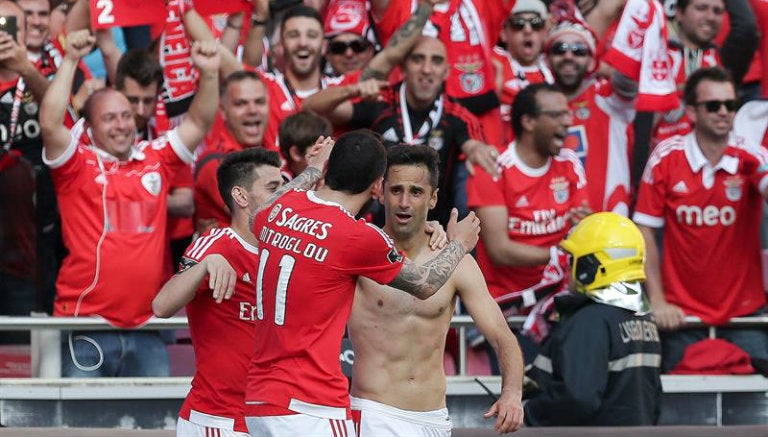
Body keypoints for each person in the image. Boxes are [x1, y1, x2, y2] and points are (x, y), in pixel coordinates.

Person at [244, 129, 481, 436]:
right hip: (311, 405)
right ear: (377, 187)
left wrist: (312, 170)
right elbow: (425, 284)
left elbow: (255, 216)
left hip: (259, 400)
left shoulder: (277, 211)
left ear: (329, 168)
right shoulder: (355, 236)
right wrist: (458, 244)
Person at [39, 30, 220, 377]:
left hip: (148, 326)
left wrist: (209, 73)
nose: (123, 125)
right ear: (89, 129)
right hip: (87, 323)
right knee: (80, 430)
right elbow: (49, 121)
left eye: (126, 116)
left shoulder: (156, 157)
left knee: (152, 430)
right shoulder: (75, 164)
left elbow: (199, 121)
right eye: (110, 118)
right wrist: (71, 59)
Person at [152, 137, 332, 437]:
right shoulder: (217, 244)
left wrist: (314, 170)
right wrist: (204, 267)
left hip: (271, 419)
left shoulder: (287, 248)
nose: (285, 195)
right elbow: (161, 305)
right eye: (274, 189)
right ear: (241, 195)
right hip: (218, 420)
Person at [348, 144, 525, 436]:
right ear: (380, 192)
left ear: (433, 199)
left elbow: (502, 335)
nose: (405, 202)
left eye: (416, 192)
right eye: (396, 190)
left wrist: (512, 393)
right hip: (372, 413)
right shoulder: (359, 252)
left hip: (433, 418)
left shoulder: (456, 263)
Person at [633, 66, 768, 372]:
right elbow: (644, 230)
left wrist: (758, 172)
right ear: (691, 112)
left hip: (744, 315)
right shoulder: (666, 158)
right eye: (713, 105)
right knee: (678, 410)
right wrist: (657, 299)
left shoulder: (752, 155)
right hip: (681, 316)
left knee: (757, 409)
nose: (724, 113)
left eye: (730, 105)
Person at [304, 35, 499, 224]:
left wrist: (477, 150)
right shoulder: (381, 100)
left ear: (446, 72)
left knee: (472, 174)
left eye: (436, 61)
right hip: (377, 222)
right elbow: (311, 107)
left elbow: (474, 146)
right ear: (403, 67)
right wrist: (353, 90)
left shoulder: (457, 114)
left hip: (433, 226)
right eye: (418, 60)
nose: (427, 69)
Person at [467, 83, 589, 352]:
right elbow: (500, 250)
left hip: (559, 305)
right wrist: (560, 255)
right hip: (507, 312)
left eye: (568, 114)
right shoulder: (493, 168)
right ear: (529, 121)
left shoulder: (570, 164)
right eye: (557, 115)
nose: (568, 121)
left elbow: (582, 228)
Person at [524, 212, 663, 426]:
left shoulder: (589, 322)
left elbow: (579, 399)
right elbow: (654, 402)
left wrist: (530, 413)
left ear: (591, 266)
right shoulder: (644, 320)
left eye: (573, 260)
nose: (568, 269)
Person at [544, 13, 637, 215]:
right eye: (560, 49)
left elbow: (630, 84)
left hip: (607, 218)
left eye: (579, 51)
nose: (569, 56)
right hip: (554, 219)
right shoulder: (536, 103)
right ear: (547, 58)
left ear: (591, 59)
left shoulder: (606, 97)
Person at [194, 70, 270, 234]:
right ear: (223, 110)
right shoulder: (215, 163)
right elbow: (262, 216)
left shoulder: (273, 152)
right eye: (241, 103)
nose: (252, 110)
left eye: (259, 102)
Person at [492, 0, 553, 145]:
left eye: (536, 23)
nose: (527, 30)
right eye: (518, 24)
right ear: (503, 33)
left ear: (545, 32)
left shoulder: (557, 63)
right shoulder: (492, 61)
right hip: (496, 153)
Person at [322, 0, 376, 76]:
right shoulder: (316, 86)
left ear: (371, 50)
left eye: (357, 46)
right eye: (339, 48)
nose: (349, 54)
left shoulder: (389, 83)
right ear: (327, 54)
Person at [277, 110, 332, 181]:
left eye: (329, 145)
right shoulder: (280, 181)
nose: (328, 153)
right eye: (319, 148)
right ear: (296, 153)